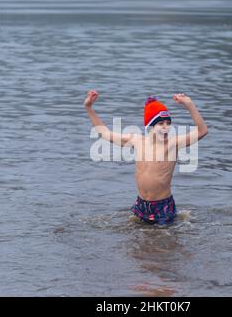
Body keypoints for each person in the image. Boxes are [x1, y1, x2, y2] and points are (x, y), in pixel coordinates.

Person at [84, 90, 208, 224]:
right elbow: (105, 133)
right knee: (138, 241)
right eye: (161, 124)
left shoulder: (173, 144)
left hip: (162, 205)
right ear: (150, 126)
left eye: (168, 123)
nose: (165, 127)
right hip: (141, 204)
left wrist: (189, 104)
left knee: (163, 242)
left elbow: (202, 131)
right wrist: (89, 108)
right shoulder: (137, 141)